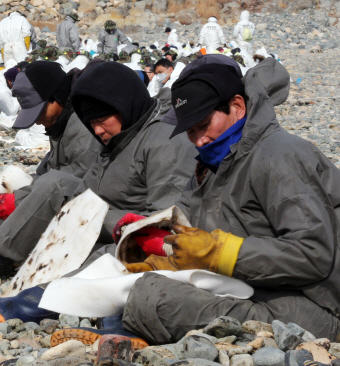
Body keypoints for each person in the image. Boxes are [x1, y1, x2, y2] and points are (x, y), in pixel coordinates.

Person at [98, 54, 340, 346]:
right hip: (255, 286)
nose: (198, 140)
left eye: (203, 125)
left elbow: (313, 254)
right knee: (129, 277)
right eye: (190, 132)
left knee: (154, 300)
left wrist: (218, 253)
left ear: (237, 106)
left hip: (316, 304)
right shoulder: (211, 165)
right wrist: (154, 236)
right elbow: (192, 227)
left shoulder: (280, 154)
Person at [0, 62, 197, 314]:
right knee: (55, 183)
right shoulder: (118, 135)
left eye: (102, 120)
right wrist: (59, 215)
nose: (98, 130)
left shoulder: (165, 143)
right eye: (92, 122)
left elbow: (166, 224)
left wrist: (103, 224)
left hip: (130, 231)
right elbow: (85, 190)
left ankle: (39, 301)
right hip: (105, 218)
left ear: (125, 105)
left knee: (112, 253)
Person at [11, 61, 101, 177]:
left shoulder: (83, 128)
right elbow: (50, 170)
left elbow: (79, 179)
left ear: (58, 96)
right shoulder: (61, 121)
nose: (38, 122)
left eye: (40, 112)